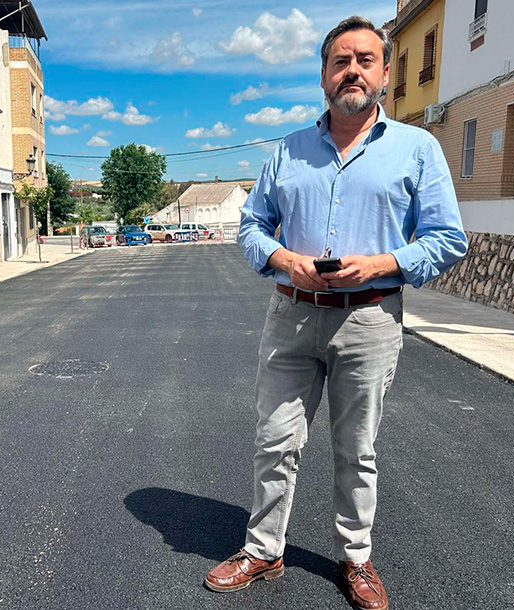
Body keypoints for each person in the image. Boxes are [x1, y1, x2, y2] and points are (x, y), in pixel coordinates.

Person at [204, 16, 468, 610]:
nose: (353, 70)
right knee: (275, 439)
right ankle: (263, 550)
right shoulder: (287, 151)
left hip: (369, 318)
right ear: (323, 74)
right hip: (292, 313)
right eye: (340, 60)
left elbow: (448, 239)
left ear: (384, 72)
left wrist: (379, 264)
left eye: (366, 60)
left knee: (358, 447)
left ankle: (355, 558)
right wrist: (282, 258)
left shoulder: (417, 149)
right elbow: (251, 227)